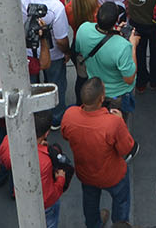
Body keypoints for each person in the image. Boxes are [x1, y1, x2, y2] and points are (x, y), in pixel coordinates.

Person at [60, 78, 135, 228]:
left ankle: (93, 224)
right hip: (113, 175)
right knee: (121, 201)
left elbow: (65, 135)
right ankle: (119, 225)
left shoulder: (69, 115)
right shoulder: (113, 123)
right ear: (102, 98)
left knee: (90, 201)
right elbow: (126, 149)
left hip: (86, 172)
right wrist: (121, 122)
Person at [74, 2, 140, 113]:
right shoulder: (123, 47)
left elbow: (79, 50)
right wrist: (133, 46)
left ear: (97, 16)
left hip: (97, 90)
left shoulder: (83, 29)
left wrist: (114, 32)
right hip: (118, 95)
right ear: (115, 22)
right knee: (119, 125)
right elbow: (129, 79)